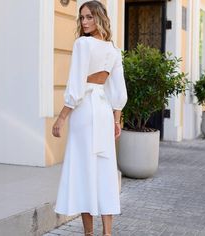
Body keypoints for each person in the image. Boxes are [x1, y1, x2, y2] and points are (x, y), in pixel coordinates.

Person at [52, 1, 127, 235]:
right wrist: (116, 120)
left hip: (85, 110)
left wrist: (61, 117)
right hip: (104, 111)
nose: (84, 22)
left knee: (85, 171)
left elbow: (76, 87)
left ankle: (89, 233)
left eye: (89, 17)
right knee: (104, 170)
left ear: (100, 18)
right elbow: (118, 91)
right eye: (82, 17)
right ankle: (107, 232)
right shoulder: (113, 50)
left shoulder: (83, 44)